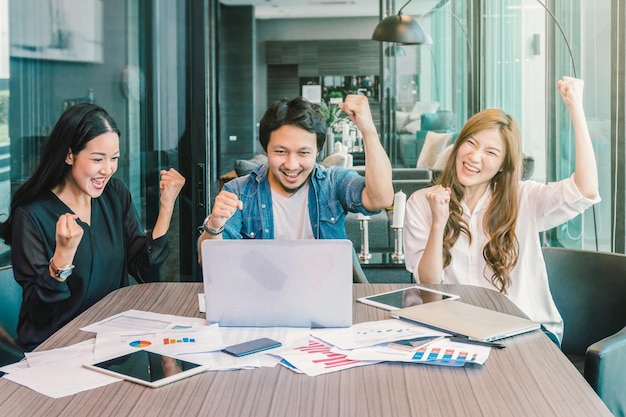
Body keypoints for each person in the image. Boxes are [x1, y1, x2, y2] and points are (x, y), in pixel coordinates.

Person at [403, 76, 600, 344]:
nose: (474, 157)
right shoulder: (421, 201)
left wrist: (575, 107)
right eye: (470, 143)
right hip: (456, 330)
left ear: (503, 166)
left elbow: (585, 190)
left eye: (490, 152)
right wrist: (439, 222)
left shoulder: (524, 197)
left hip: (525, 331)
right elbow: (429, 282)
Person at [0, 103, 186, 350]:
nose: (107, 170)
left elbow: (143, 269)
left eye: (114, 159)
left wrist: (166, 207)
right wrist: (62, 258)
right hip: (57, 350)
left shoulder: (115, 195)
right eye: (97, 159)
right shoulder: (32, 214)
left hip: (111, 342)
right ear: (69, 155)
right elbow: (39, 312)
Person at [197, 94, 393, 258]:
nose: (291, 165)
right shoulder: (239, 191)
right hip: (261, 296)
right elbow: (207, 260)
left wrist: (369, 131)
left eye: (303, 153)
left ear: (318, 151)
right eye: (281, 152)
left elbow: (380, 198)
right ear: (265, 149)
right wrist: (214, 224)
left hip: (324, 294)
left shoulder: (333, 183)